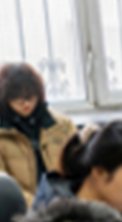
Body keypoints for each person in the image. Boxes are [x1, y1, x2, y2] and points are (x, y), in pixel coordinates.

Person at [0, 63, 77, 207]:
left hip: (67, 204)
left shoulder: (63, 126)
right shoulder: (3, 134)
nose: (26, 103)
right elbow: (3, 189)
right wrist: (39, 206)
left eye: (30, 97)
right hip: (22, 210)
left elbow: (80, 170)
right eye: (17, 99)